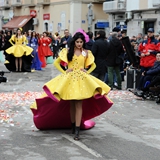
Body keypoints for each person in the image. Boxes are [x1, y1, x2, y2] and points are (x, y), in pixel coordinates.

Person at [30, 30, 113, 141]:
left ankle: (77, 130)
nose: (79, 44)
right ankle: (73, 126)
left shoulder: (86, 53)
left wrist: (87, 72)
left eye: (81, 42)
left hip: (82, 80)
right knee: (72, 104)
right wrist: (64, 72)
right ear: (74, 42)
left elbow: (93, 65)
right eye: (77, 42)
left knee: (78, 104)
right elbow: (56, 63)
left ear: (83, 42)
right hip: (69, 79)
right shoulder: (68, 51)